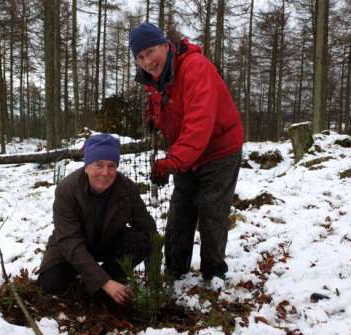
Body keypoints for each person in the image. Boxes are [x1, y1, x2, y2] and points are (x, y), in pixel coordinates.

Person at [129, 22, 244, 281]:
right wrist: (154, 116)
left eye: (150, 52)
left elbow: (199, 123)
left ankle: (213, 273)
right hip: (187, 152)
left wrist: (171, 162)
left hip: (219, 148)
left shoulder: (195, 68)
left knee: (211, 209)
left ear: (165, 46)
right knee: (181, 209)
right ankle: (174, 270)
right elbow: (167, 103)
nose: (147, 61)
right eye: (140, 57)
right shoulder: (158, 77)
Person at [37, 133, 156, 304]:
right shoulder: (68, 189)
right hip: (72, 245)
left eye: (111, 166)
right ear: (86, 166)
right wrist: (105, 282)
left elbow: (148, 228)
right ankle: (101, 281)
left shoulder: (127, 189)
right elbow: (69, 240)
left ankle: (106, 280)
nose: (105, 173)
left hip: (108, 242)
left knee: (141, 240)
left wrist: (155, 280)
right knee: (50, 283)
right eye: (98, 165)